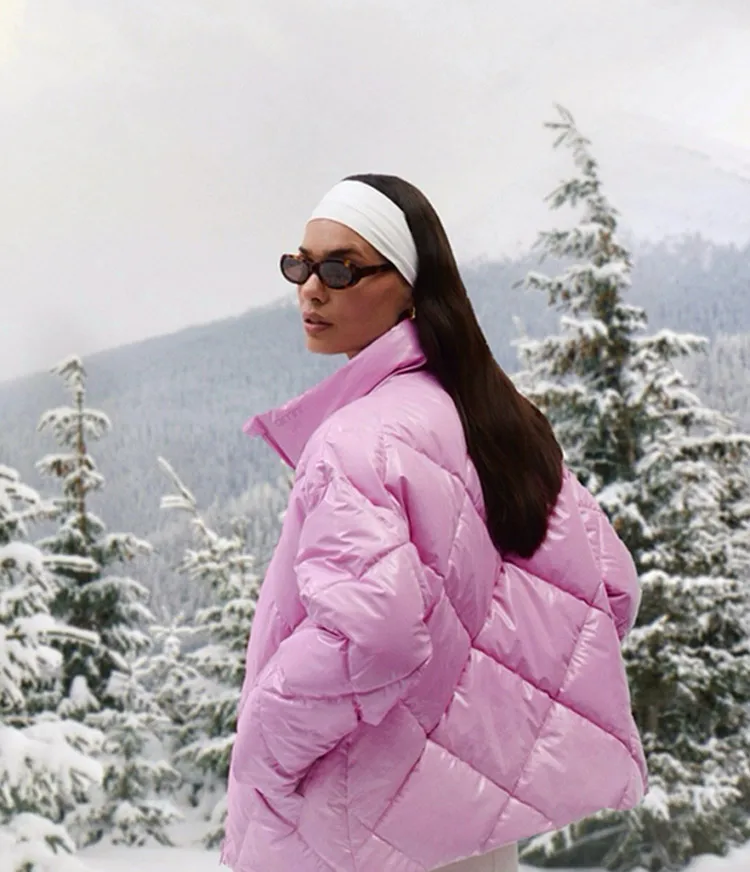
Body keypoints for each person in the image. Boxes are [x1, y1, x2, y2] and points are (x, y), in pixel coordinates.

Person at [221, 175, 647, 872]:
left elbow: (373, 634)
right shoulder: (494, 414)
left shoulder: (354, 441)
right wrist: (477, 724)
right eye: (301, 265)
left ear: (412, 287)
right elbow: (612, 587)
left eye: (341, 268)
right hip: (476, 832)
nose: (311, 289)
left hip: (363, 830)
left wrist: (262, 742)